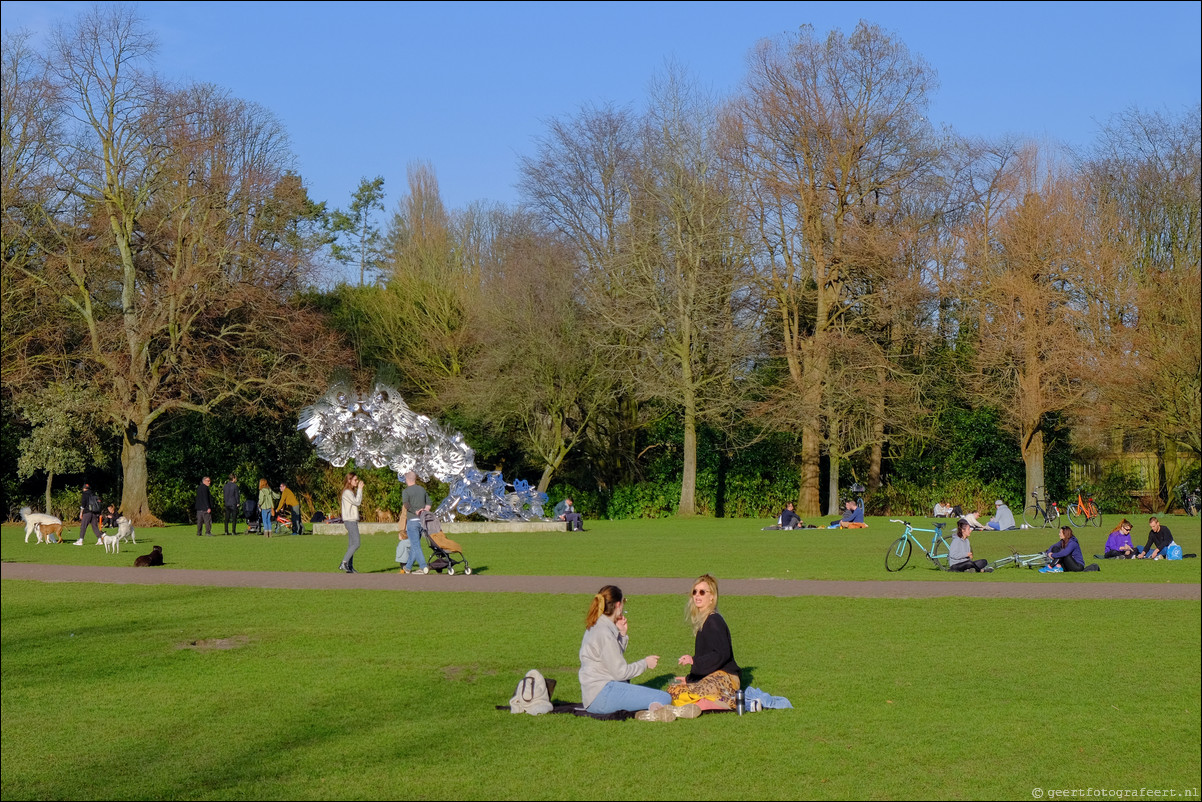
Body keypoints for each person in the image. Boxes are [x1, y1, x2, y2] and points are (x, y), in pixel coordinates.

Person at [578, 585, 676, 718]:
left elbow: (610, 659)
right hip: (602, 695)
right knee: (663, 696)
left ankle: (652, 711)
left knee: (652, 696)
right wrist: (645, 663)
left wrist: (622, 635)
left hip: (594, 694)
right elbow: (620, 672)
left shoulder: (597, 625)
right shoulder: (604, 632)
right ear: (618, 605)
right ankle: (653, 713)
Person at [667, 574, 741, 711]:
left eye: (702, 592)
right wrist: (689, 678)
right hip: (711, 676)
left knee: (686, 693)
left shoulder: (714, 621)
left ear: (712, 596)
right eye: (694, 592)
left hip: (726, 677)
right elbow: (706, 660)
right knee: (673, 687)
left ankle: (733, 702)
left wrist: (694, 661)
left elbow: (721, 654)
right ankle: (698, 705)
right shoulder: (704, 622)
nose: (697, 596)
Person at [400, 471, 430, 574]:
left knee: (416, 545)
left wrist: (415, 511)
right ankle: (408, 567)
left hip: (412, 521)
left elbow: (406, 505)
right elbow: (429, 502)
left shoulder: (406, 491)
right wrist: (424, 511)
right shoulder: (422, 489)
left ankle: (423, 566)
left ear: (407, 479)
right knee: (414, 544)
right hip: (422, 521)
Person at [339, 473, 364, 574]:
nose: (357, 482)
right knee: (357, 543)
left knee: (351, 545)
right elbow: (357, 502)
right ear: (349, 480)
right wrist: (360, 489)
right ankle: (344, 563)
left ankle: (349, 566)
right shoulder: (347, 493)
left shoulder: (349, 492)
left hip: (351, 521)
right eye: (355, 480)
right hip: (350, 521)